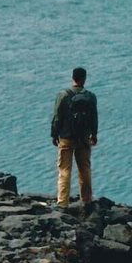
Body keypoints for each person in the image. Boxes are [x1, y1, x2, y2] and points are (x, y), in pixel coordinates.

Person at [50, 67, 98, 206]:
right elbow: (94, 117)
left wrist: (54, 134)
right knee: (85, 169)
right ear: (84, 79)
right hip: (83, 138)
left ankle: (63, 202)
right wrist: (93, 134)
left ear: (73, 78)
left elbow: (57, 117)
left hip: (66, 137)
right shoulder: (90, 96)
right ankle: (87, 199)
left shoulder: (63, 95)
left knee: (64, 170)